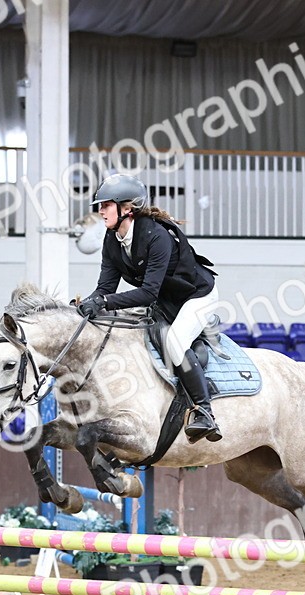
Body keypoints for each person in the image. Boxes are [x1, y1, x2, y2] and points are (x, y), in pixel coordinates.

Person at [76, 173, 222, 443]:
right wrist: (85, 305)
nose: (100, 211)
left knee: (175, 342)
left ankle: (204, 411)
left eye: (106, 205)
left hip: (197, 296)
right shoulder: (112, 239)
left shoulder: (156, 236)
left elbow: (147, 293)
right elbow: (105, 288)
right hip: (165, 299)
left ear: (127, 208)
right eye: (100, 206)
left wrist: (104, 303)